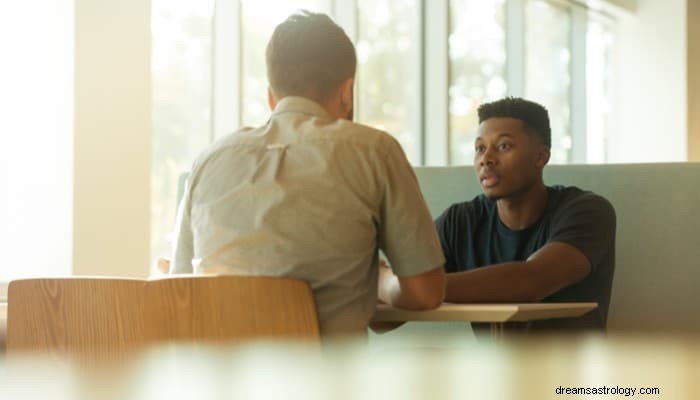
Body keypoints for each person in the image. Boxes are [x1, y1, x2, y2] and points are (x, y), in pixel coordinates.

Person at [169, 11, 445, 338]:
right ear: (347, 92)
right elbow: (426, 293)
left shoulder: (208, 161)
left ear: (271, 97)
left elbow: (179, 290)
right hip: (327, 384)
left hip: (218, 385)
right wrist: (381, 281)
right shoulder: (375, 151)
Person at [383, 97, 615, 333]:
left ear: (540, 157)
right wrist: (392, 288)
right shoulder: (459, 222)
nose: (486, 159)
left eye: (503, 146)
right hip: (493, 369)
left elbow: (531, 281)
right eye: (480, 148)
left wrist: (412, 287)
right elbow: (383, 321)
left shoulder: (587, 212)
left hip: (574, 368)